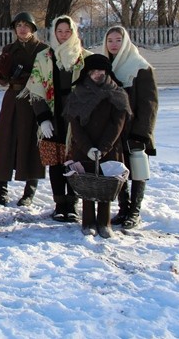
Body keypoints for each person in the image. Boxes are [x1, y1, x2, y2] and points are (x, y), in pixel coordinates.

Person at [19, 15, 91, 222]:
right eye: (59, 31)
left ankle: (73, 203)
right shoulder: (44, 57)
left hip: (77, 120)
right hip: (52, 117)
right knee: (56, 162)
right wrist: (43, 118)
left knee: (75, 161)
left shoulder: (84, 57)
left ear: (74, 33)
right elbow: (36, 88)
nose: (63, 35)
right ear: (54, 33)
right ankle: (60, 204)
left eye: (67, 31)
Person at [63, 54, 131, 238]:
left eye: (100, 70)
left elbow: (117, 124)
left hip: (109, 148)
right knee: (87, 185)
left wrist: (103, 148)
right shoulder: (77, 93)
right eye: (93, 71)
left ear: (107, 71)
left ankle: (104, 222)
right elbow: (75, 125)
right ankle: (87, 222)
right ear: (87, 72)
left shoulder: (118, 94)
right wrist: (87, 148)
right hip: (84, 147)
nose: (97, 74)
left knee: (106, 186)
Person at [0, 12, 48, 207]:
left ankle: (29, 193)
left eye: (26, 25)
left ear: (33, 28)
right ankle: (1, 192)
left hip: (33, 100)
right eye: (19, 25)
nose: (22, 28)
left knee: (31, 144)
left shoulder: (43, 50)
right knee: (5, 143)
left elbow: (47, 78)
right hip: (12, 100)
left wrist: (28, 78)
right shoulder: (9, 49)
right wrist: (5, 71)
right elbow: (1, 80)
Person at [104, 26, 158, 229]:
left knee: (137, 169)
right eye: (110, 40)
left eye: (118, 40)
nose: (114, 44)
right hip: (116, 130)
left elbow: (149, 104)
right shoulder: (107, 66)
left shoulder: (140, 67)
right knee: (120, 169)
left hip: (135, 129)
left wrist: (142, 133)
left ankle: (134, 211)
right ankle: (123, 208)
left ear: (125, 42)